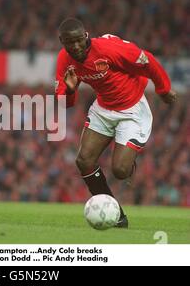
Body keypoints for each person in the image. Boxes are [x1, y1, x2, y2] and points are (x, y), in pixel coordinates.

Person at [55, 18, 177, 228]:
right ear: (61, 42)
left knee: (120, 171)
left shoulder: (109, 49)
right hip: (103, 108)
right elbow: (65, 103)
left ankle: (127, 162)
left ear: (86, 36)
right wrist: (71, 90)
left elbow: (147, 60)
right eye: (69, 42)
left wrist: (163, 90)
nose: (75, 47)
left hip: (132, 110)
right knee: (84, 161)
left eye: (78, 41)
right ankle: (117, 215)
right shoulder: (64, 59)